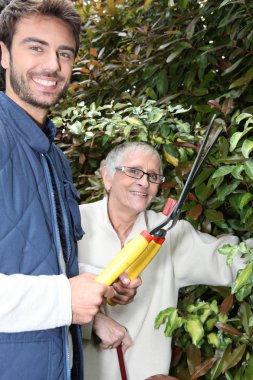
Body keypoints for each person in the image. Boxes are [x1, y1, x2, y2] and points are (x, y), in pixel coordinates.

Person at [0, 1, 116, 379]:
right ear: (3, 54)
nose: (52, 65)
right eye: (36, 47)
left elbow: (42, 258)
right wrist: (64, 299)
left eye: (64, 53)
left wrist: (100, 280)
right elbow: (57, 292)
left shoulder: (53, 156)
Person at [78, 141, 246, 380]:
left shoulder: (170, 232)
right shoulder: (73, 223)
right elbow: (41, 296)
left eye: (154, 176)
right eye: (134, 171)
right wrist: (94, 322)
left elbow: (229, 259)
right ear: (107, 175)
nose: (144, 182)